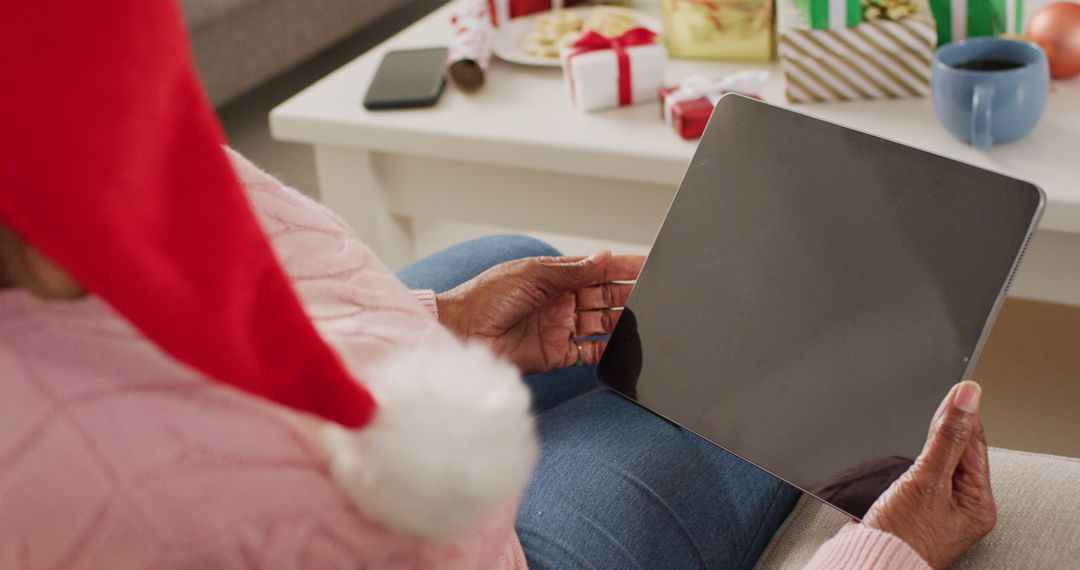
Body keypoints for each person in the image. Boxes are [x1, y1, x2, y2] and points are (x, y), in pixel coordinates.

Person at [0, 1, 995, 568]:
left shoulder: (52, 136)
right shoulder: (120, 481)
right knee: (734, 382)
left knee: (548, 270)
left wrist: (441, 324)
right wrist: (890, 550)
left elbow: (227, 280)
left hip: (336, 450)